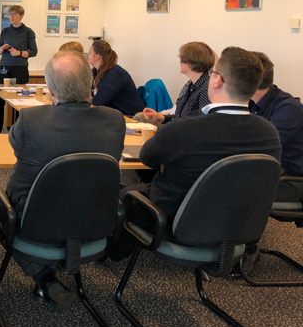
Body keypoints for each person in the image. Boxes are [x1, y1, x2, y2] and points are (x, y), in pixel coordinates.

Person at [5, 50, 126, 308]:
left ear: (50, 90)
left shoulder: (31, 120)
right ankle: (50, 276)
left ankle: (44, 277)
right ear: (91, 84)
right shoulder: (115, 121)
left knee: (1, 208)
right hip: (94, 222)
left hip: (36, 224)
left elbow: (18, 148)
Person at [123, 47, 281, 222]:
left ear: (217, 81)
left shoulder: (183, 129)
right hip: (240, 223)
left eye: (212, 72)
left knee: (123, 195)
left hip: (174, 220)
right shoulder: (270, 134)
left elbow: (146, 158)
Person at [250, 52, 303, 201]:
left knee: (228, 189)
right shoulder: (251, 102)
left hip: (291, 179)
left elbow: (262, 148)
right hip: (271, 172)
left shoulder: (289, 110)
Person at [141, 42, 215, 125]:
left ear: (190, 62)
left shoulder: (206, 88)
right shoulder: (190, 85)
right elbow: (179, 117)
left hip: (187, 135)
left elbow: (202, 123)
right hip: (179, 131)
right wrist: (160, 117)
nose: (180, 62)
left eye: (181, 59)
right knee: (140, 118)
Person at [0, 5, 38, 133]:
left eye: (14, 14)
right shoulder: (5, 31)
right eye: (10, 14)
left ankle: (19, 132)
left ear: (21, 16)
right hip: (4, 67)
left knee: (20, 99)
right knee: (0, 100)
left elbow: (34, 52)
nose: (11, 17)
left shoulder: (28, 32)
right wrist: (2, 49)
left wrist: (19, 53)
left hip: (20, 68)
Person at [88, 40, 144, 115]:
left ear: (97, 56)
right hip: (116, 116)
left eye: (90, 52)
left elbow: (98, 103)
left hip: (131, 117)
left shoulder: (114, 74)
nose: (88, 54)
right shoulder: (95, 71)